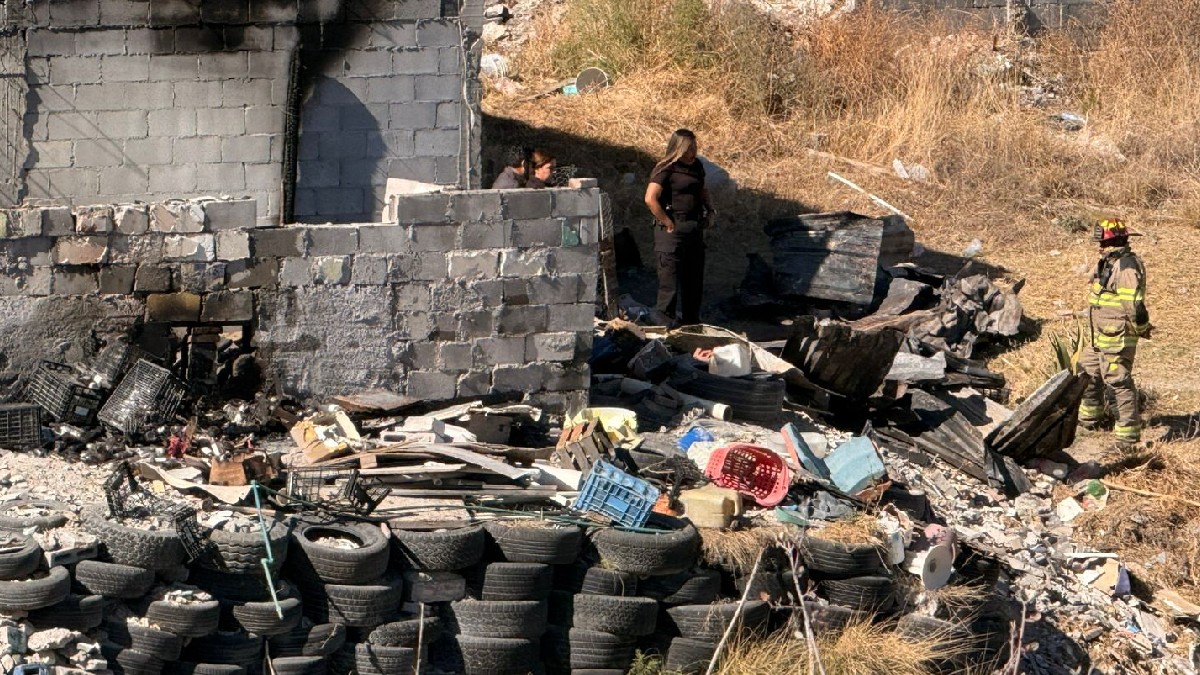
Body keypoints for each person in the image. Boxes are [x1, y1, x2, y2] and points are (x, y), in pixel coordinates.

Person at [1078, 218, 1152, 446]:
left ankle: (1127, 437)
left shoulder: (1127, 267)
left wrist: (1142, 329)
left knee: (1118, 381)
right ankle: (1090, 420)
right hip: (1099, 334)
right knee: (1087, 371)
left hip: (1117, 336)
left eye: (1104, 243)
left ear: (1117, 242)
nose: (1100, 247)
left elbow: (1134, 306)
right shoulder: (1109, 262)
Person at [644, 129, 713, 326]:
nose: (693, 150)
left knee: (694, 279)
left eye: (694, 146)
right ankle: (665, 323)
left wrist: (711, 210)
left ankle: (692, 323)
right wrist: (666, 221)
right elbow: (650, 198)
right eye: (689, 147)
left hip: (694, 227)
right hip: (672, 230)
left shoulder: (697, 165)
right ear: (679, 148)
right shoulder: (666, 168)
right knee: (670, 281)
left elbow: (703, 189)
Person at [491, 147, 556, 189]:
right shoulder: (512, 185)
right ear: (524, 163)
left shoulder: (510, 178)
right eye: (532, 163)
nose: (533, 168)